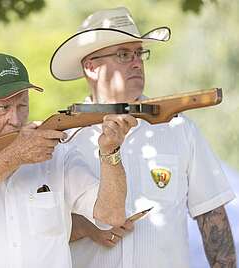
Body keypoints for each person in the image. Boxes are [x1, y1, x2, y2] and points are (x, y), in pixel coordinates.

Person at [50, 7, 237, 268]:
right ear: (90, 67)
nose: (137, 62)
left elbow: (211, 214)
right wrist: (86, 227)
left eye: (139, 53)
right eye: (124, 54)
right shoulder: (62, 140)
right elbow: (34, 231)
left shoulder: (179, 129)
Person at [0, 53, 137, 267]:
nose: (15, 119)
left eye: (22, 106)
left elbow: (112, 215)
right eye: (3, 108)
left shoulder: (58, 152)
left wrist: (110, 151)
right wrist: (14, 156)